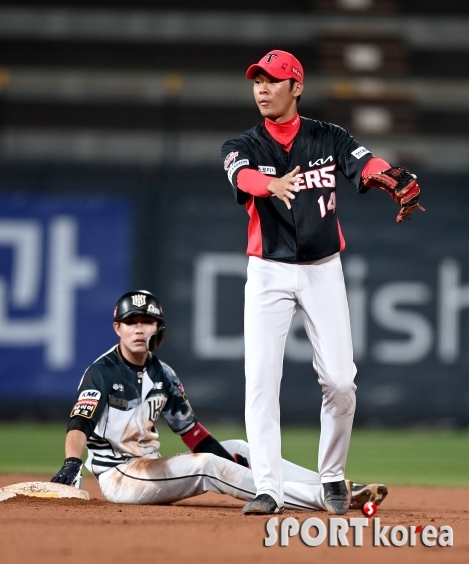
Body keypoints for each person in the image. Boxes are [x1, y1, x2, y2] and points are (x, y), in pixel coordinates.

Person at [220, 50, 423, 516]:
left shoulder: (328, 137)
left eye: (273, 81)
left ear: (297, 87)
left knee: (341, 381)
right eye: (257, 81)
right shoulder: (242, 144)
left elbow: (364, 163)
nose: (263, 89)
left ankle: (331, 475)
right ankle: (269, 487)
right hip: (268, 270)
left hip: (322, 268)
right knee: (261, 380)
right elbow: (239, 174)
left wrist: (389, 176)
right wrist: (267, 185)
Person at [51, 290, 388, 512]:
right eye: (131, 322)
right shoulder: (102, 372)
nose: (139, 329)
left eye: (147, 321)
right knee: (207, 466)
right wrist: (71, 462)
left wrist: (234, 460)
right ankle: (315, 499)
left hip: (152, 467)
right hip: (121, 476)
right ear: (117, 328)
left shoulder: (162, 373)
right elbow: (80, 422)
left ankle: (331, 485)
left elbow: (192, 433)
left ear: (157, 327)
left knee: (239, 447)